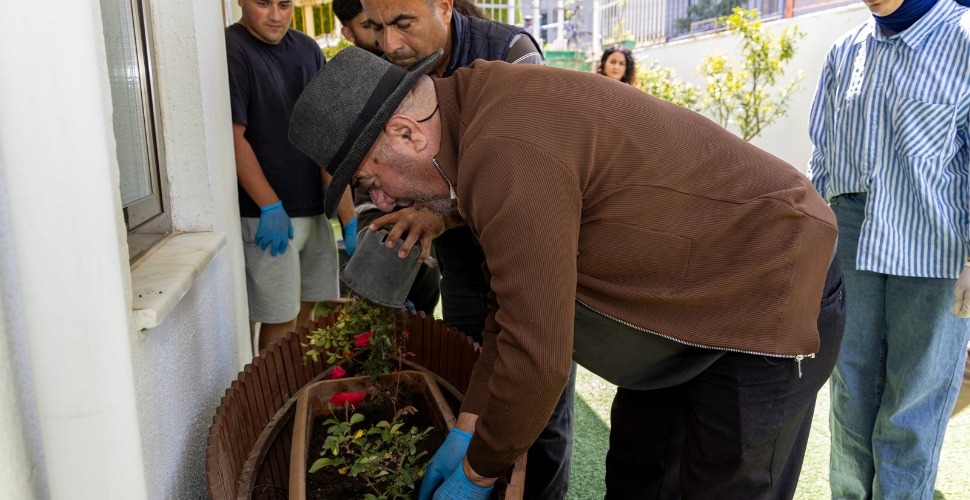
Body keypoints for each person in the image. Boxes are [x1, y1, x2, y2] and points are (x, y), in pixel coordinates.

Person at [289, 47, 845, 500]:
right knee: (637, 475)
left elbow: (538, 359)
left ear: (409, 133)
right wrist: (467, 426)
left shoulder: (503, 149)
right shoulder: (476, 114)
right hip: (685, 303)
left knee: (724, 486)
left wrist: (477, 474)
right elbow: (509, 312)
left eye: (371, 177)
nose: (383, 197)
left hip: (770, 277)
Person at [355, 1, 574, 498]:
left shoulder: (513, 56)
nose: (389, 44)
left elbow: (529, 184)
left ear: (444, 7)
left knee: (539, 409)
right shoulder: (393, 68)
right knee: (472, 384)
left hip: (536, 259)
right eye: (378, 27)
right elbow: (373, 172)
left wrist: (439, 214)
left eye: (403, 23)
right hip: (469, 271)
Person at [807, 0, 970, 498]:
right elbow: (822, 153)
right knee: (849, 393)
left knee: (913, 406)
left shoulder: (964, 36)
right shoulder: (846, 49)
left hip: (936, 245)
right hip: (850, 238)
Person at [226, 0, 357, 353]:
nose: (275, 15)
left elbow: (325, 137)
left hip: (313, 210)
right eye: (263, 3)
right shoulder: (232, 49)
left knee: (309, 311)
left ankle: (300, 397)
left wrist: (349, 219)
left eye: (284, 5)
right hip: (267, 216)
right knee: (280, 320)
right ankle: (276, 405)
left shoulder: (307, 49)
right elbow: (232, 137)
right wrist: (269, 205)